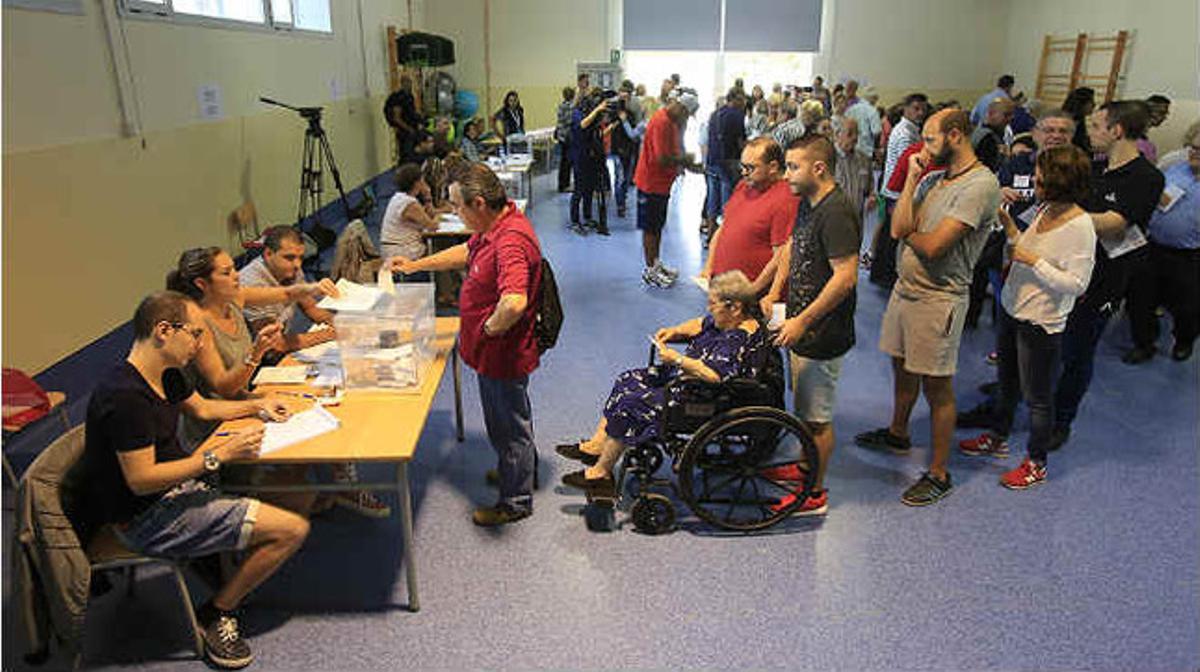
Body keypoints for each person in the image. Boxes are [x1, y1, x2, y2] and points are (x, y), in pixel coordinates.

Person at [71, 290, 309, 669]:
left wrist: (257, 405)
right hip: (146, 516)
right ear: (164, 330)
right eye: (196, 334)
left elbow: (203, 407)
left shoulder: (165, 374)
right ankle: (216, 612)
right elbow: (142, 480)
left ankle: (217, 565)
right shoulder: (125, 397)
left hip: (175, 490)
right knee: (291, 528)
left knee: (296, 495)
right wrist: (217, 457)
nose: (201, 344)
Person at [855, 109, 1000, 506]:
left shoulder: (980, 184)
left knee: (938, 386)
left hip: (940, 298)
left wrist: (910, 231)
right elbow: (900, 223)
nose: (925, 148)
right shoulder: (933, 177)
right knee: (900, 365)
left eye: (931, 140)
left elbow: (936, 246)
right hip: (907, 290)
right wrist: (914, 180)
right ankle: (898, 432)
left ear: (955, 136)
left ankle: (938, 471)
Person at [389, 162, 543, 526]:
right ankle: (517, 471)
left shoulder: (510, 241)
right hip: (494, 352)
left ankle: (516, 499)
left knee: (507, 424)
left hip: (501, 354)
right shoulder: (495, 226)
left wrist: (488, 330)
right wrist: (414, 266)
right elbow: (465, 253)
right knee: (511, 419)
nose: (455, 213)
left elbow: (515, 301)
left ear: (478, 203)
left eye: (457, 206)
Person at [958, 146, 1097, 489]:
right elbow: (1022, 249)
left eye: (1039, 178)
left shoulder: (1081, 226)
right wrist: (1009, 229)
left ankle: (1037, 462)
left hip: (1040, 323)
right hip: (1013, 309)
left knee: (1038, 399)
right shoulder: (1044, 210)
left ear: (1059, 182)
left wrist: (1034, 261)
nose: (1033, 182)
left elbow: (1077, 284)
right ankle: (998, 436)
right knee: (1007, 385)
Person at [556, 271, 769, 493]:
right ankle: (598, 444)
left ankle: (601, 473)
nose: (709, 309)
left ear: (734, 307)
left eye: (713, 304)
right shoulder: (729, 321)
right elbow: (699, 324)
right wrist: (675, 331)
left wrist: (677, 359)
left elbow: (715, 376)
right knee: (627, 379)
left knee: (631, 403)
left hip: (704, 395)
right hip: (686, 381)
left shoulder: (736, 339)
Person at [1049, 101, 1163, 447]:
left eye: (1097, 126)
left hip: (1102, 282)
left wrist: (1059, 212)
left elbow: (1114, 226)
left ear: (1117, 130)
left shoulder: (1146, 178)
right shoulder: (1094, 168)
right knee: (1046, 341)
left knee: (1077, 353)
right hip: (1066, 271)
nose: (1091, 132)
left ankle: (1061, 419)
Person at [766, 133, 862, 515]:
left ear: (818, 168)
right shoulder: (809, 202)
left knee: (817, 418)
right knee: (804, 408)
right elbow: (794, 248)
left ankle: (814, 494)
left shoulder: (836, 210)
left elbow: (846, 276)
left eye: (793, 167)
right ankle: (805, 466)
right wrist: (770, 291)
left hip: (822, 333)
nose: (787, 174)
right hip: (803, 328)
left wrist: (802, 320)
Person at [1125, 125, 1199, 363]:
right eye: (1193, 147)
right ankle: (1144, 343)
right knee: (1140, 299)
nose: (1194, 153)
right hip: (1152, 246)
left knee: (1189, 307)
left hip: (1190, 256)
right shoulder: (1175, 170)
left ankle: (1184, 340)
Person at [702, 137, 799, 291]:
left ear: (773, 167)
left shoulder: (786, 198)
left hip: (751, 295)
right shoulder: (743, 186)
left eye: (750, 168)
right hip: (724, 287)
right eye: (742, 167)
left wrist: (754, 289)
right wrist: (708, 267)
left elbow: (781, 255)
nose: (744, 172)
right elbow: (723, 228)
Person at [634, 92, 702, 288]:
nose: (686, 120)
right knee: (650, 228)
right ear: (681, 108)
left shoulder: (672, 122)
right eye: (687, 115)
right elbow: (661, 159)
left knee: (657, 226)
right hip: (650, 183)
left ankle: (656, 263)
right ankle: (650, 270)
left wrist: (690, 166)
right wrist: (684, 160)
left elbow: (672, 153)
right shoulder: (661, 122)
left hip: (661, 184)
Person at [239, 226, 336, 352]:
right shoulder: (251, 282)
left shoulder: (290, 270)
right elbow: (276, 343)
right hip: (256, 358)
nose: (297, 264)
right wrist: (329, 335)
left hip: (278, 347)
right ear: (268, 254)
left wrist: (338, 324)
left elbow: (310, 306)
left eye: (300, 257)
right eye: (289, 258)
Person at [871, 93, 930, 287]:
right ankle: (885, 275)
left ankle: (880, 273)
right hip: (897, 192)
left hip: (893, 189)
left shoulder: (908, 129)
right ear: (905, 108)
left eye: (923, 109)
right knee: (892, 237)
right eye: (916, 108)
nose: (920, 113)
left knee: (888, 234)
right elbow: (908, 167)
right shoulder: (906, 133)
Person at [380, 163, 452, 267]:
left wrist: (428, 198)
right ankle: (445, 282)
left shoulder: (399, 198)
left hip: (394, 248)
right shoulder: (409, 204)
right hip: (401, 250)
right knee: (443, 252)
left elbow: (429, 214)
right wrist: (429, 197)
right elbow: (432, 226)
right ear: (417, 183)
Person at [569, 88, 612, 236]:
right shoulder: (576, 113)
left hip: (592, 156)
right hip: (580, 156)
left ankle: (587, 217)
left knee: (589, 189)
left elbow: (596, 130)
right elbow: (583, 125)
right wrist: (597, 110)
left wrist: (606, 121)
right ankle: (575, 221)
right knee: (579, 190)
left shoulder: (592, 114)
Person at [704, 88, 749, 228]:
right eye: (742, 99)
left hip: (712, 160)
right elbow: (740, 142)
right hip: (728, 162)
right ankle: (725, 233)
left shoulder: (714, 114)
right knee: (727, 200)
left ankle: (711, 231)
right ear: (735, 99)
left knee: (712, 197)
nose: (744, 103)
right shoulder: (737, 115)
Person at [831, 117, 876, 218]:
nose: (855, 138)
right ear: (837, 135)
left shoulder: (864, 160)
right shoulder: (828, 158)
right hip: (834, 219)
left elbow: (870, 187)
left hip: (857, 219)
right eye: (850, 134)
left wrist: (872, 197)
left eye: (857, 133)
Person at [384, 76, 424, 163]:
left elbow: (411, 112)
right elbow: (397, 118)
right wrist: (408, 129)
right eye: (407, 83)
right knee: (406, 156)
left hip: (411, 130)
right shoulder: (398, 97)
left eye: (410, 83)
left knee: (413, 154)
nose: (410, 85)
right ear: (402, 83)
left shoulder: (409, 96)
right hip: (405, 132)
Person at [971, 97, 1016, 173]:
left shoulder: (998, 134)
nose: (1011, 118)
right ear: (991, 114)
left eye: (1012, 114)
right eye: (1006, 114)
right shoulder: (986, 138)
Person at [843, 88, 883, 159]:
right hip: (866, 150)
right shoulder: (873, 111)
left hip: (850, 147)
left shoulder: (850, 109)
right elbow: (877, 132)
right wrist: (877, 149)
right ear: (874, 99)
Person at [1062, 87, 1095, 154]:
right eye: (1091, 102)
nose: (1094, 105)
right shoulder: (1066, 121)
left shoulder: (1080, 120)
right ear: (1082, 103)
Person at [555, 87, 576, 192]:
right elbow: (570, 121)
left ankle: (563, 184)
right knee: (567, 162)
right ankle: (564, 185)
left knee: (564, 162)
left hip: (562, 137)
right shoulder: (571, 106)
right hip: (567, 137)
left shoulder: (561, 105)